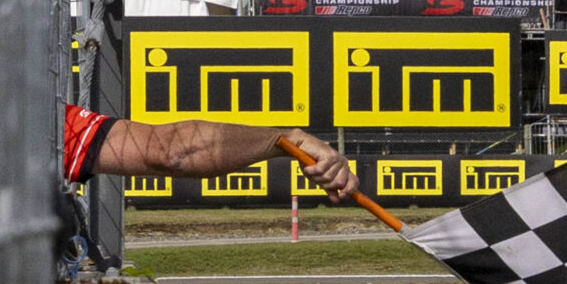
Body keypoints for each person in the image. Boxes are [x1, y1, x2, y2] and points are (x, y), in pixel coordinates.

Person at [61, 104, 356, 199]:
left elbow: (171, 152)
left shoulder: (47, 119)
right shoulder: (47, 119)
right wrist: (288, 141)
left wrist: (286, 140)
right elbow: (171, 152)